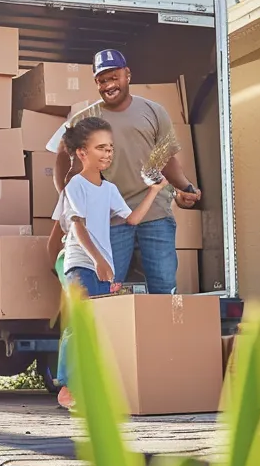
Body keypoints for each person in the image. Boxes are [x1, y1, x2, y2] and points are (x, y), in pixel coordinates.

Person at [47, 49, 202, 294]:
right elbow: (61, 156)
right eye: (102, 80)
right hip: (111, 220)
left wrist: (185, 187)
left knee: (164, 286)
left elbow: (165, 158)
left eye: (114, 77)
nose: (109, 84)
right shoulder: (86, 119)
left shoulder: (153, 111)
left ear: (127, 75)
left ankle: (162, 332)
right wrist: (68, 197)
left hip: (155, 213)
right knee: (107, 287)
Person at [54, 116, 167, 410]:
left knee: (99, 326)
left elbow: (131, 220)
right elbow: (77, 226)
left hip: (103, 267)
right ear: (81, 152)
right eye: (100, 148)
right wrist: (99, 260)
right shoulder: (75, 186)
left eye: (111, 148)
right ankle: (67, 389)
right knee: (80, 324)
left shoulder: (109, 189)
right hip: (80, 263)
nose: (107, 153)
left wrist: (154, 190)